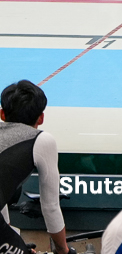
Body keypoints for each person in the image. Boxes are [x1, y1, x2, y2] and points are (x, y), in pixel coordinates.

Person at [0, 83, 66, 254]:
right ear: (41, 118)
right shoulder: (41, 140)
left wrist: (12, 238)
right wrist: (63, 250)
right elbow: (50, 206)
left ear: (2, 114)